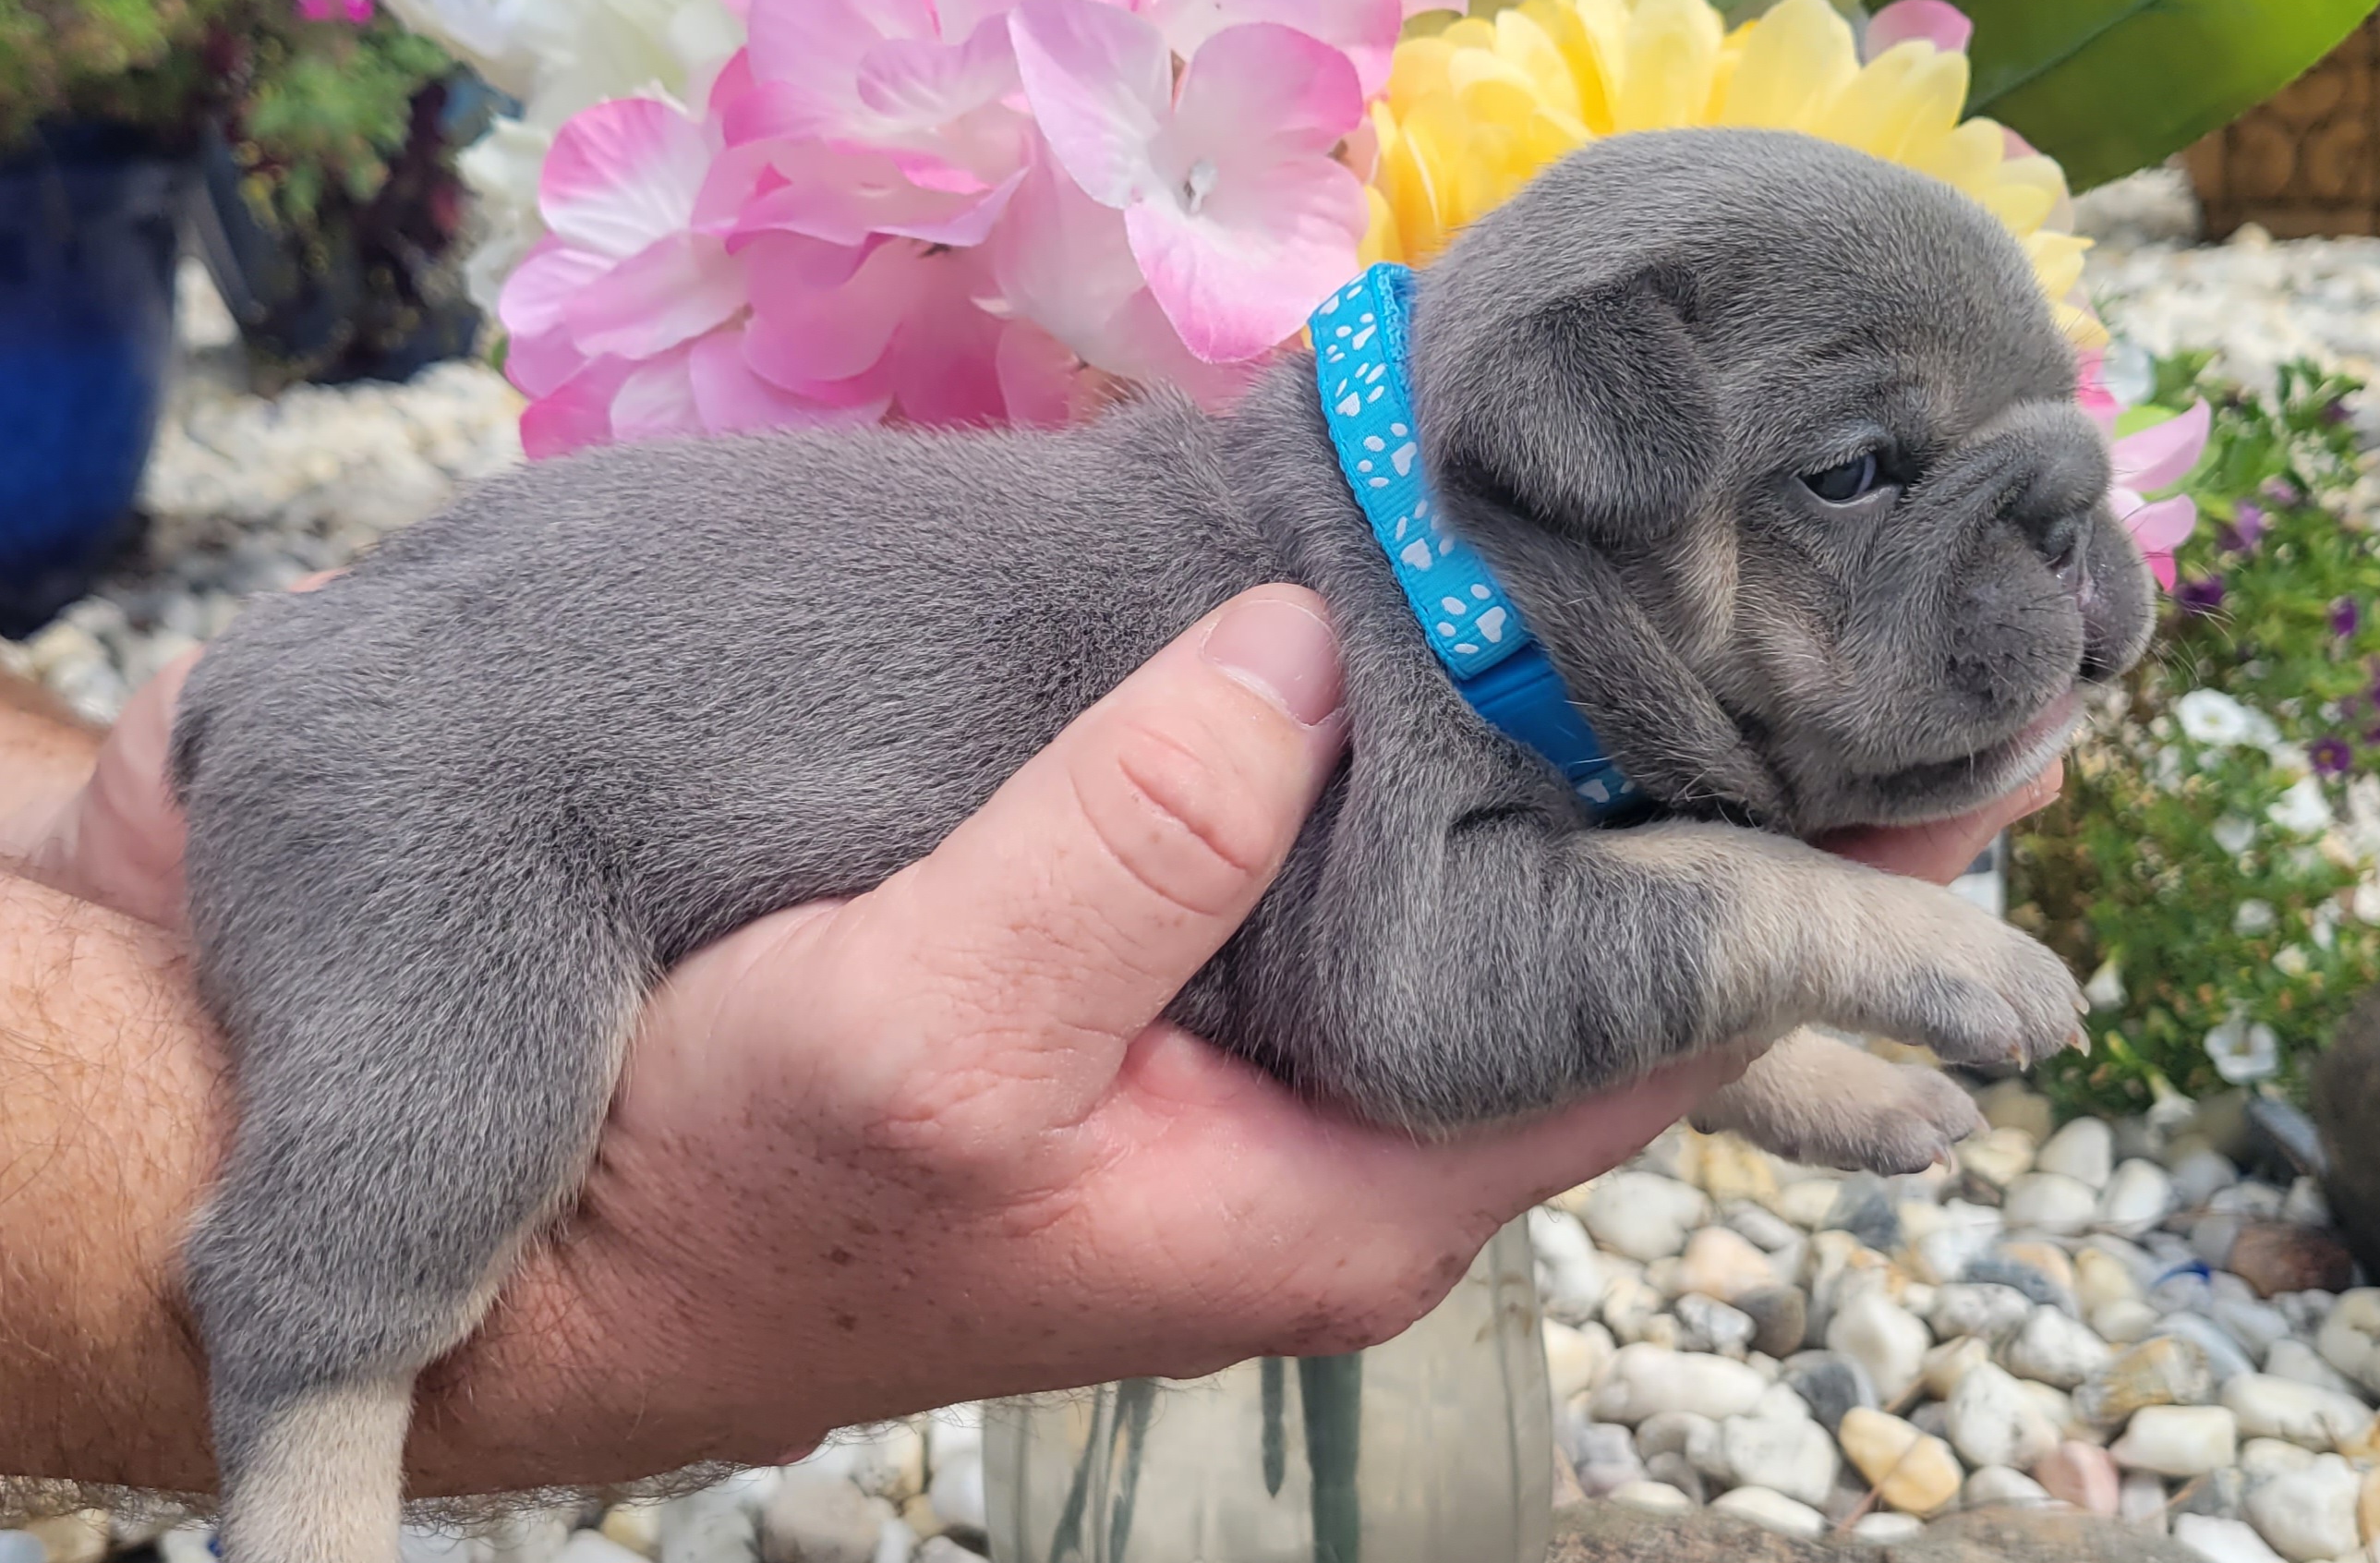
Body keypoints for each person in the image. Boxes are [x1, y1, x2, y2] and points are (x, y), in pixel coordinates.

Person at [0, 585, 2057, 1496]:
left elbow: (1522, 920)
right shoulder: (1418, 601)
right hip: (492, 787)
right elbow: (1425, 989)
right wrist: (1811, 921)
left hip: (345, 732)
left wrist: (1742, 1011)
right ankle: (315, 1472)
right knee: (395, 1227)